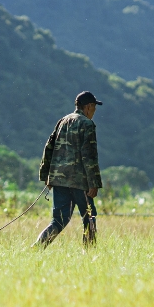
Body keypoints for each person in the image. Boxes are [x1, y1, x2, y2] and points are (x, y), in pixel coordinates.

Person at [33, 91, 104, 249]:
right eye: (94, 108)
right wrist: (94, 183)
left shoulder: (62, 121)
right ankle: (90, 255)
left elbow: (49, 148)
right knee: (89, 218)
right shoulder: (87, 124)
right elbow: (89, 155)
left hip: (59, 180)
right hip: (79, 182)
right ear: (88, 107)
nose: (94, 112)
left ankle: (37, 248)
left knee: (58, 221)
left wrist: (47, 177)